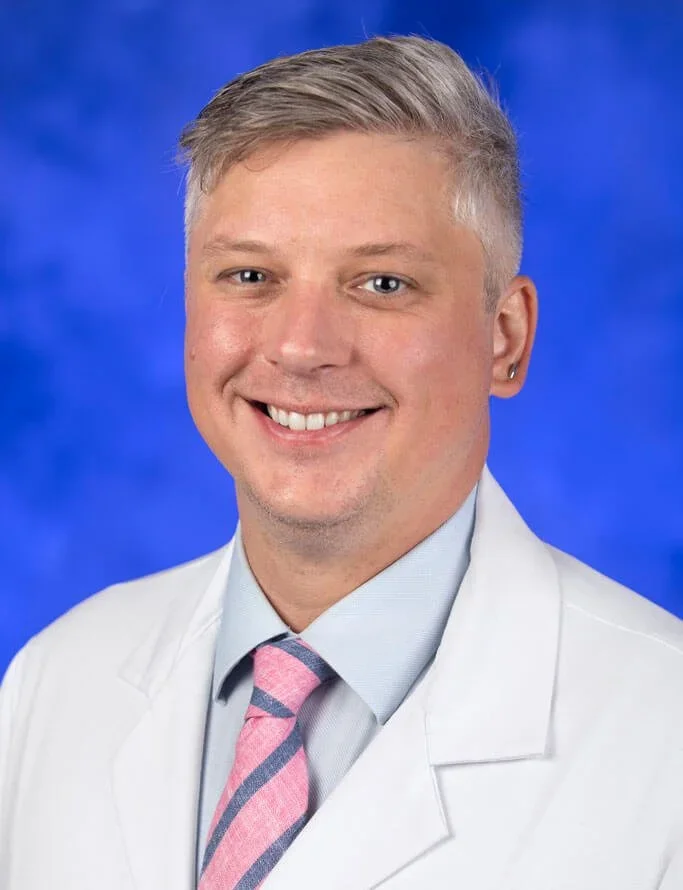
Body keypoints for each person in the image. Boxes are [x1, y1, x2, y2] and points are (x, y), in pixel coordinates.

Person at [1, 34, 682, 890]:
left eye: (382, 284)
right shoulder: (57, 680)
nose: (299, 346)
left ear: (503, 339)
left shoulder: (663, 734)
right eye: (249, 276)